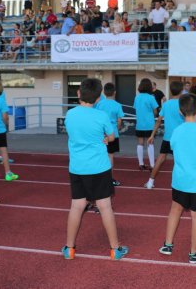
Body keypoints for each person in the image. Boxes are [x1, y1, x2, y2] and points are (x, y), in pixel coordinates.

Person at [62, 78, 128, 261]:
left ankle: (70, 248)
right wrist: (106, 139)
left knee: (77, 206)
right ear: (99, 98)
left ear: (78, 94)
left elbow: (73, 133)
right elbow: (112, 137)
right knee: (105, 206)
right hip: (99, 167)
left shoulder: (71, 115)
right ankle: (115, 249)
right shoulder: (101, 116)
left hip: (77, 167)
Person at [159, 93, 196, 264]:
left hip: (179, 180)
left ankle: (168, 244)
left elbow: (176, 150)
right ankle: (194, 253)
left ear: (180, 111)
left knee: (174, 210)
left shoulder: (176, 131)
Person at [145, 81, 185, 190]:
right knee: (180, 162)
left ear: (171, 91)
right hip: (180, 138)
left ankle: (150, 182)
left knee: (160, 159)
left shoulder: (166, 104)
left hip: (168, 138)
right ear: (181, 91)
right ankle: (180, 185)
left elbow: (158, 121)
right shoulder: (183, 104)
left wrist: (152, 135)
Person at [95, 83, 124, 187]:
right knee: (110, 156)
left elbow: (96, 117)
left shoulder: (99, 104)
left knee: (100, 155)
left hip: (101, 134)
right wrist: (118, 128)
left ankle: (98, 178)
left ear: (104, 92)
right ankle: (109, 179)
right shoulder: (117, 105)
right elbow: (119, 121)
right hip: (113, 134)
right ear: (115, 92)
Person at [133, 79, 158, 170]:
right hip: (149, 124)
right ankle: (152, 165)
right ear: (149, 87)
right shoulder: (151, 97)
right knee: (150, 143)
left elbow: (136, 109)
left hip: (139, 123)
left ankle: (141, 164)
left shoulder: (137, 97)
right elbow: (155, 111)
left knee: (140, 143)